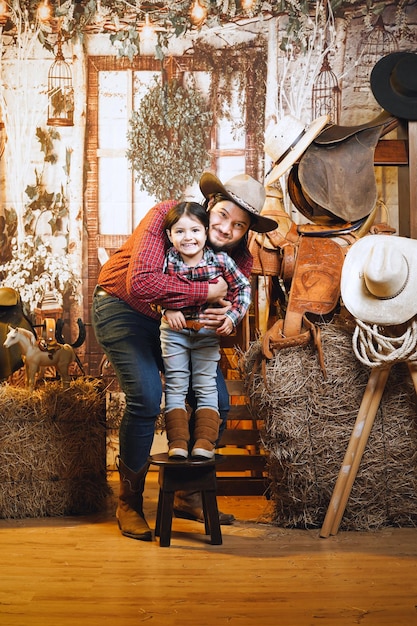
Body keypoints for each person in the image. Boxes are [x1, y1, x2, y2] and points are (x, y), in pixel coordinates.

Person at [92, 172, 277, 541]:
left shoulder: (238, 256)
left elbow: (232, 302)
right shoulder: (166, 215)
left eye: (239, 226)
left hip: (181, 328)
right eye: (223, 215)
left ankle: (186, 493)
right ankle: (129, 501)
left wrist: (225, 315)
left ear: (247, 232)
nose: (226, 229)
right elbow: (141, 284)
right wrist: (208, 290)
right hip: (122, 307)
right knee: (145, 396)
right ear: (210, 204)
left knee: (218, 401)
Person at [160, 201, 251, 461]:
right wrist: (167, 309)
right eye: (180, 232)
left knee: (205, 386)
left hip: (206, 335)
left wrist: (232, 317)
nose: (188, 238)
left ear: (204, 230)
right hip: (174, 334)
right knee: (175, 385)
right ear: (170, 235)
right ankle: (177, 442)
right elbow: (157, 290)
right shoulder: (168, 259)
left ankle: (203, 441)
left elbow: (243, 289)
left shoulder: (221, 260)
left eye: (195, 231)